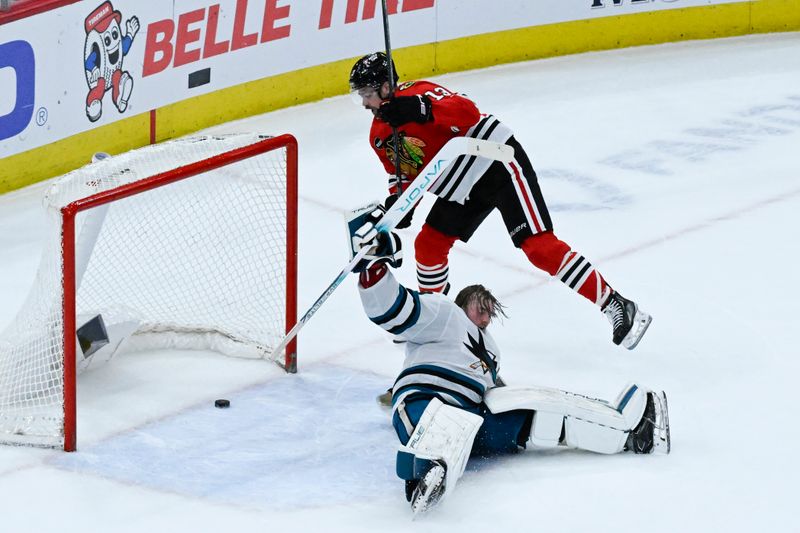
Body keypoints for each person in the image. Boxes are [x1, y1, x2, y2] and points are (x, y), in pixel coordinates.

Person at [349, 212, 671, 515]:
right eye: (481, 307)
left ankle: (632, 432)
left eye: (491, 312)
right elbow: (396, 311)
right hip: (426, 400)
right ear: (463, 301)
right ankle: (427, 469)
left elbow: (498, 392)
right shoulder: (444, 313)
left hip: (472, 421)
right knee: (431, 421)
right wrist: (373, 271)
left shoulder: (492, 352)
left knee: (541, 419)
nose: (486, 316)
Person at [349, 52, 651, 350]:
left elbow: (468, 112)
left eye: (366, 93)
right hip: (459, 185)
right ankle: (435, 322)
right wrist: (399, 205)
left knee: (538, 247)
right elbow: (401, 176)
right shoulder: (379, 135)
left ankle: (616, 304)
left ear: (385, 88)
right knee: (428, 246)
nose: (364, 103)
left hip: (495, 159)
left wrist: (421, 109)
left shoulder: (418, 94)